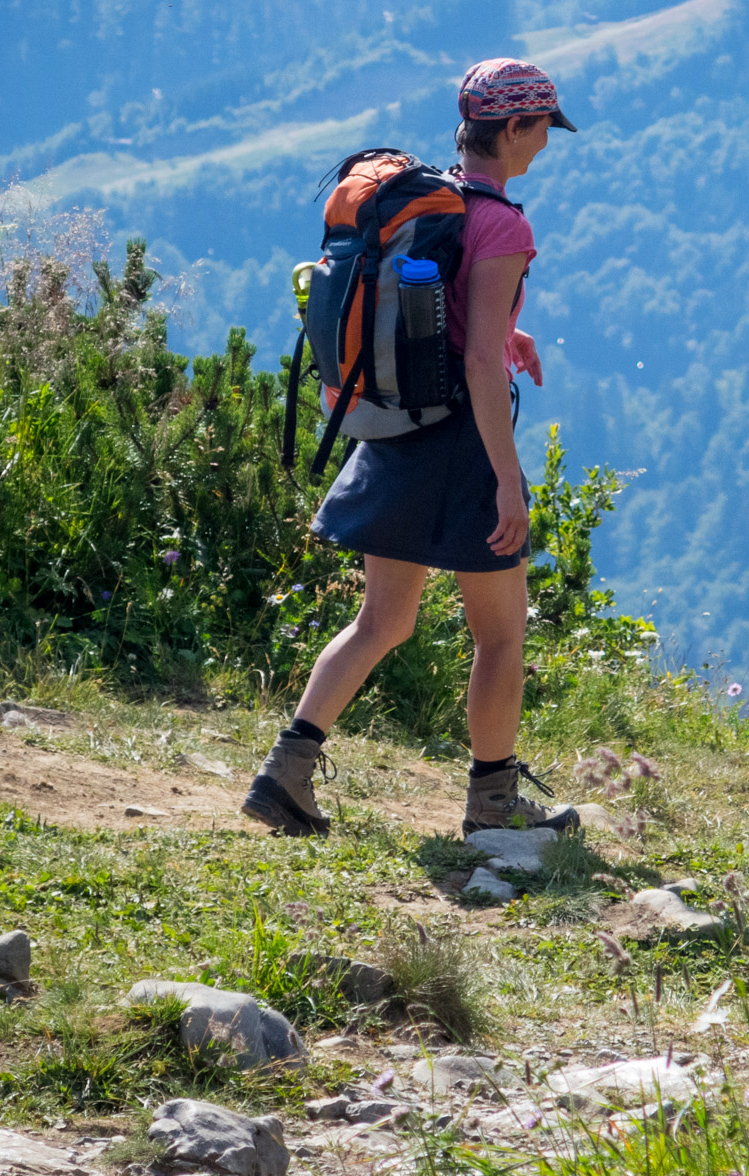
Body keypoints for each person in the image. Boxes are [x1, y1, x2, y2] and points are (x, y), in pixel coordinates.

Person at [241, 58, 582, 840]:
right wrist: (506, 478)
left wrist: (504, 330)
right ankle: (492, 807)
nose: (547, 145)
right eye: (542, 131)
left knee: (382, 620)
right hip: (460, 443)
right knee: (501, 634)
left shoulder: (438, 203)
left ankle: (284, 775)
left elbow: (450, 315)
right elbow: (476, 363)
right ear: (516, 129)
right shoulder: (504, 223)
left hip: (394, 428)